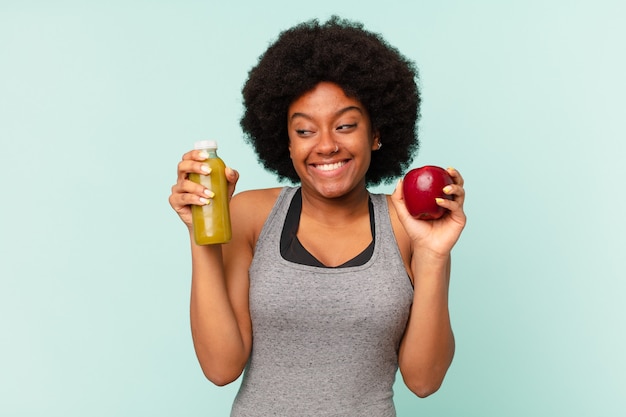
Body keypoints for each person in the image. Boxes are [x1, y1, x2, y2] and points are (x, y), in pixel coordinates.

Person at [169, 16, 466, 417]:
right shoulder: (251, 216)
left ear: (376, 133)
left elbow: (424, 381)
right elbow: (221, 368)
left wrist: (433, 256)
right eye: (305, 131)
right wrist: (200, 232)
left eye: (345, 125)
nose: (326, 145)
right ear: (286, 143)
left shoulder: (408, 226)